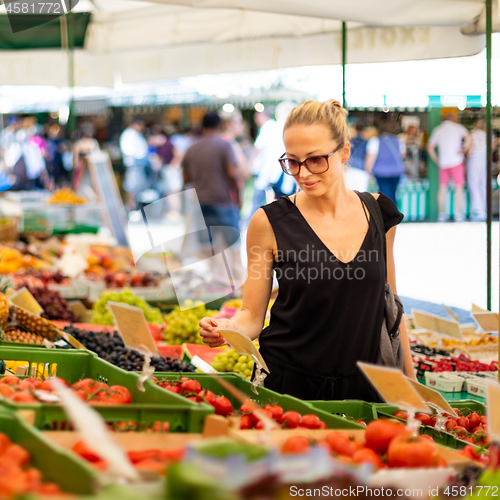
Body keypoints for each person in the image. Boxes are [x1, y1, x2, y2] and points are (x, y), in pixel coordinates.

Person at [198, 99, 415, 402]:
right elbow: (252, 315)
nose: (303, 173)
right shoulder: (269, 222)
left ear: (345, 152)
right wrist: (228, 328)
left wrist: (411, 384)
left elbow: (391, 304)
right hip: (288, 387)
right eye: (292, 161)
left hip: (365, 388)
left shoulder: (380, 214)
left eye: (315, 159)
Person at [182, 112, 243, 284]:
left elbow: (186, 178)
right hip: (223, 201)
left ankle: (215, 282)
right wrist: (238, 198)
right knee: (233, 247)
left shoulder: (192, 148)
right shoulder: (224, 146)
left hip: (201, 201)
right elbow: (232, 174)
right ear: (219, 126)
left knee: (208, 248)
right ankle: (238, 284)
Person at [249, 102, 296, 218]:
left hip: (272, 175)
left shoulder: (271, 127)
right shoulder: (292, 129)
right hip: (285, 176)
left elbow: (259, 149)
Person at [427, 113, 472, 222]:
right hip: (456, 161)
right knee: (459, 188)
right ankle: (458, 214)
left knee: (442, 189)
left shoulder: (438, 130)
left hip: (443, 163)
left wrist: (437, 160)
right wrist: (464, 149)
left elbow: (429, 147)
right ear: (453, 119)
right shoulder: (458, 128)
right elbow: (469, 138)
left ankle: (441, 214)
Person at [365, 119, 406, 205]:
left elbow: (371, 158)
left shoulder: (375, 141)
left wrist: (368, 169)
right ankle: (395, 215)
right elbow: (403, 155)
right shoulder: (398, 140)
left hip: (381, 172)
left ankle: (387, 216)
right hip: (396, 172)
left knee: (384, 195)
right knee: (394, 194)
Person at [119, 118, 150, 210]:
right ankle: (131, 208)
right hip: (134, 164)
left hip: (140, 164)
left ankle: (136, 207)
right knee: (131, 187)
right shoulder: (128, 134)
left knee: (138, 187)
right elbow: (127, 150)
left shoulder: (136, 134)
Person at [465, 118, 488, 221]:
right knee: (483, 184)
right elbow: (492, 147)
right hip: (485, 159)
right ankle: (485, 208)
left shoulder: (473, 134)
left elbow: (469, 149)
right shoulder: (488, 134)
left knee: (473, 184)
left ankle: (479, 210)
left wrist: (466, 161)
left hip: (475, 158)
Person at [345, 119, 369, 192]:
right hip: (362, 169)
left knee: (350, 193)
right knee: (361, 195)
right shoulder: (367, 142)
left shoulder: (351, 141)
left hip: (350, 168)